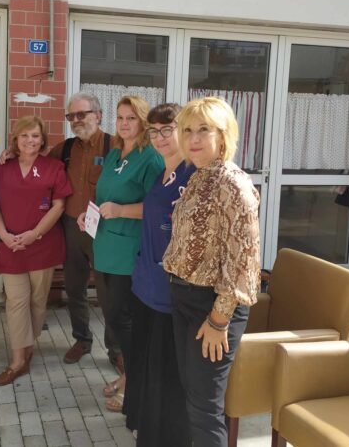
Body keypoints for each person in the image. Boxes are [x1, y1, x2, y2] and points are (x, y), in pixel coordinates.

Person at [162, 97, 260, 447]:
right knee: (193, 396)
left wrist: (219, 321)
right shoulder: (199, 176)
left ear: (223, 134)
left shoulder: (232, 183)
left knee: (205, 408)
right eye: (187, 130)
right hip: (185, 297)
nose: (193, 138)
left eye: (204, 130)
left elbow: (243, 261)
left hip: (214, 307)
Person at [0, 92, 123, 371]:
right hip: (70, 227)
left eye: (83, 114)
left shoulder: (116, 146)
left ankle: (116, 349)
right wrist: (11, 153)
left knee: (108, 292)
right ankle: (82, 339)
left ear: (98, 115)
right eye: (72, 116)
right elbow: (34, 157)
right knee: (75, 288)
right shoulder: (64, 149)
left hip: (105, 229)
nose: (77, 120)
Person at [80, 95, 164, 413]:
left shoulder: (150, 158)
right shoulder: (115, 153)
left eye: (131, 118)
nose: (124, 123)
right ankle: (130, 376)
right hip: (105, 246)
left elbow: (157, 208)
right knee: (114, 318)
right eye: (120, 117)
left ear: (143, 122)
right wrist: (89, 214)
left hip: (129, 252)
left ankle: (136, 385)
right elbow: (105, 195)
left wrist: (120, 210)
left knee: (123, 319)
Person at [122, 103, 193, 446]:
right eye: (154, 131)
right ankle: (142, 423)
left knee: (164, 369)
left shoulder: (191, 176)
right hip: (145, 284)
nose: (160, 137)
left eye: (168, 129)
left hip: (169, 291)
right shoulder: (161, 173)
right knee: (143, 360)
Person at [0, 116, 71, 386]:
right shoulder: (1, 168)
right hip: (10, 245)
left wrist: (34, 234)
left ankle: (28, 346)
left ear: (43, 139)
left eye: (35, 136)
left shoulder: (54, 167)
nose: (30, 141)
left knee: (37, 302)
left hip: (42, 246)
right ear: (16, 139)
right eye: (24, 135)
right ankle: (17, 361)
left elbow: (59, 206)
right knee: (16, 302)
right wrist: (4, 235)